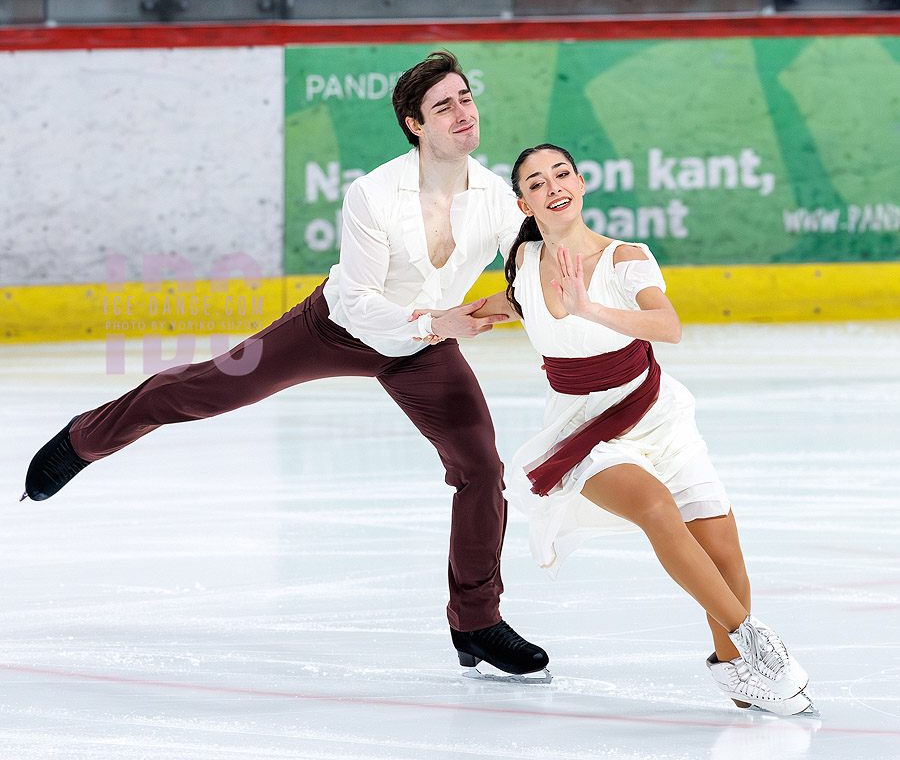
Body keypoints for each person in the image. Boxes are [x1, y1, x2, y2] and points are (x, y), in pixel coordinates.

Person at [21, 51, 550, 681]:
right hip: (336, 329)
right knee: (206, 389)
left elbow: (528, 259)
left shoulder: (494, 196)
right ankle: (86, 438)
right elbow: (358, 302)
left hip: (423, 350)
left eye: (466, 98)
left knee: (480, 468)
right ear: (415, 123)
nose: (464, 113)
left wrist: (541, 280)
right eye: (445, 106)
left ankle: (477, 622)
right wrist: (440, 321)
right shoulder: (373, 195)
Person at [414, 143, 816, 714]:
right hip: (583, 429)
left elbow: (667, 326)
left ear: (581, 184)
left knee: (723, 547)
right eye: (535, 182)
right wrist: (440, 323)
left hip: (654, 414)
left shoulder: (626, 258)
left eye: (560, 175)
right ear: (523, 203)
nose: (552, 187)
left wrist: (589, 309)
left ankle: (736, 673)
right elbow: (506, 305)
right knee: (655, 509)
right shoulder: (524, 264)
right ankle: (755, 638)